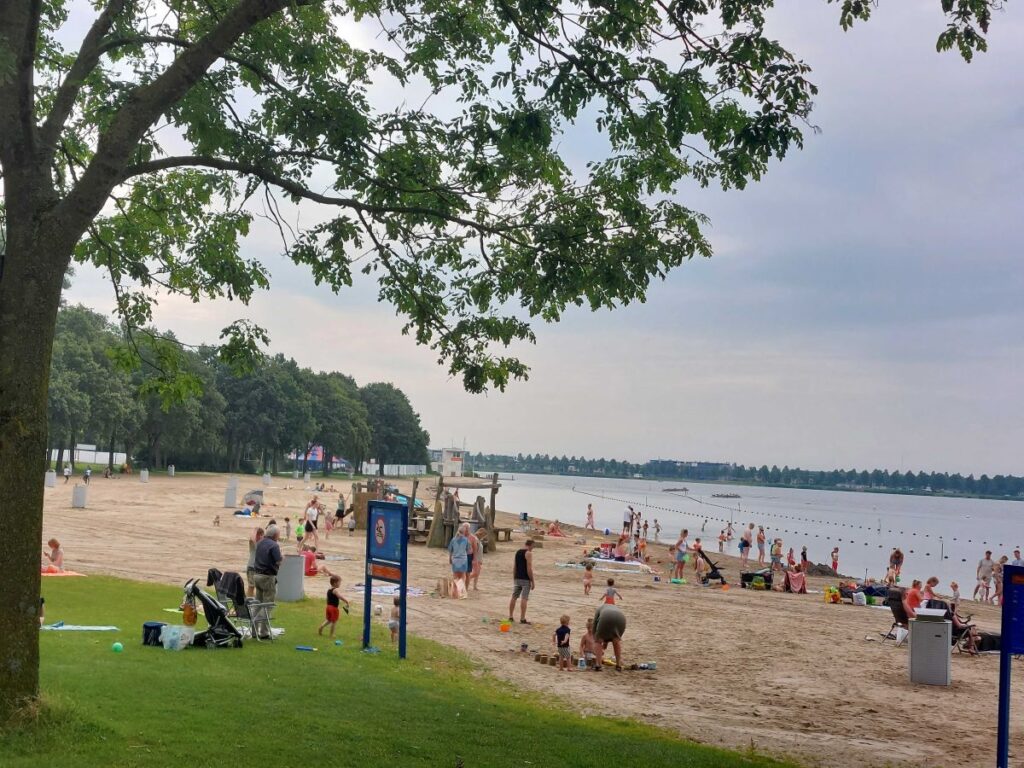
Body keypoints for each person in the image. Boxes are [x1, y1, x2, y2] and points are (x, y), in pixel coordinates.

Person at [252, 525, 284, 609]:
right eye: (279, 534)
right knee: (268, 604)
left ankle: (254, 621)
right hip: (267, 577)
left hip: (257, 575)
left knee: (258, 602)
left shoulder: (260, 542)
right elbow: (279, 561)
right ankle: (263, 622)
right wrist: (282, 556)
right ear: (275, 535)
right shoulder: (274, 545)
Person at [591, 603, 626, 672]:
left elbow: (594, 625)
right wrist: (605, 642)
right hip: (621, 618)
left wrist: (595, 639)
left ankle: (598, 665)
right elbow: (609, 630)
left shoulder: (599, 609)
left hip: (606, 616)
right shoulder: (613, 607)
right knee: (616, 640)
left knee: (598, 640)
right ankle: (618, 665)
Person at [508, 539, 535, 624]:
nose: (533, 548)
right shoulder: (528, 553)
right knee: (524, 598)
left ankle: (510, 616)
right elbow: (529, 568)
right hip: (525, 579)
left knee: (514, 597)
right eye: (533, 546)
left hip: (517, 578)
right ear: (530, 545)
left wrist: (514, 577)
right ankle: (522, 618)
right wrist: (532, 580)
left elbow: (515, 566)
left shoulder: (518, 552)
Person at [448, 523, 471, 596]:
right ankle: (460, 593)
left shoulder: (453, 540)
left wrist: (450, 558)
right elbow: (468, 550)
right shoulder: (466, 540)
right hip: (463, 560)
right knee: (462, 577)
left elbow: (450, 550)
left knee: (455, 576)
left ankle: (454, 593)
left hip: (455, 559)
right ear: (464, 532)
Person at [246, 526, 265, 597]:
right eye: (259, 535)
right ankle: (249, 603)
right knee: (251, 586)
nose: (261, 537)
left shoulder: (262, 544)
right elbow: (252, 538)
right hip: (252, 567)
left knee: (259, 588)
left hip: (259, 568)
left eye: (262, 535)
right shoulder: (253, 543)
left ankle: (254, 603)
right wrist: (255, 530)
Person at [468, 526, 483, 591]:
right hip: (476, 559)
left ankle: (474, 586)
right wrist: (474, 559)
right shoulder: (476, 540)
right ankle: (466, 580)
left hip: (478, 559)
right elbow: (474, 550)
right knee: (475, 573)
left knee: (477, 573)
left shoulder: (478, 540)